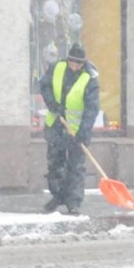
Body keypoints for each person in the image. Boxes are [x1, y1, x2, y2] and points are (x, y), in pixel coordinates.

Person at [39, 42, 100, 215]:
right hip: (56, 126)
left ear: (83, 63)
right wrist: (52, 104)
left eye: (78, 64)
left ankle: (73, 202)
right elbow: (45, 86)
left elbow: (91, 108)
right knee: (54, 165)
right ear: (68, 60)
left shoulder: (90, 78)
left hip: (77, 130)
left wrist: (84, 131)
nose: (74, 66)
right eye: (72, 62)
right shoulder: (57, 68)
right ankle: (58, 195)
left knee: (75, 167)